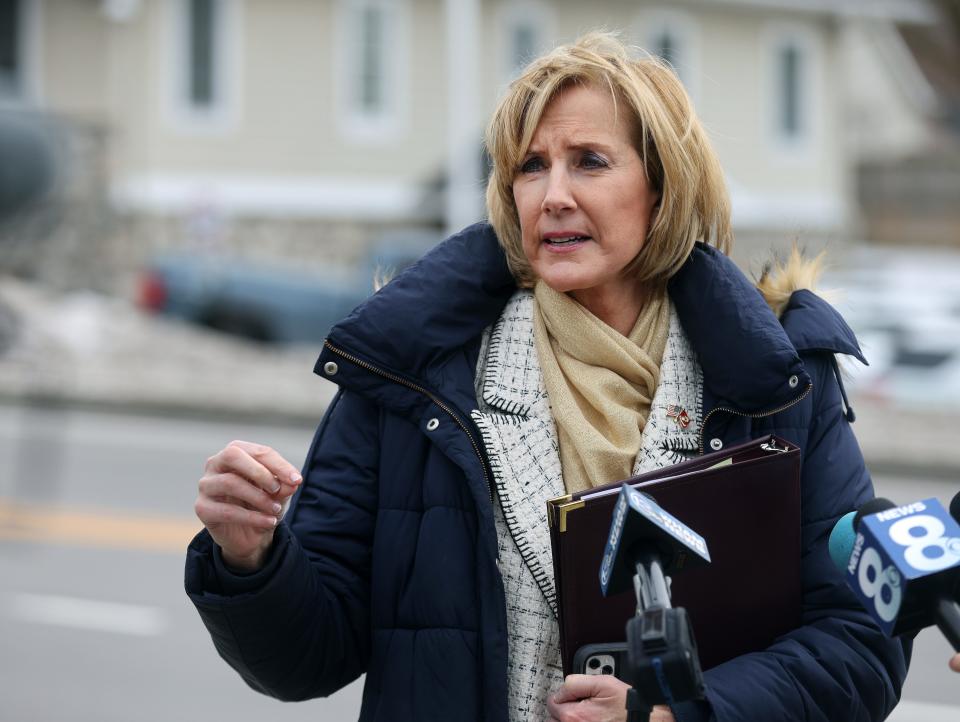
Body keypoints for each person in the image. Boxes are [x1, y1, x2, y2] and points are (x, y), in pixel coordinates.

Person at [185, 32, 909, 721]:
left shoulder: (778, 377)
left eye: (589, 161)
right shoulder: (415, 375)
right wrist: (251, 557)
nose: (553, 194)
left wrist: (677, 715)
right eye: (531, 166)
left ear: (661, 188)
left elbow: (859, 644)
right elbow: (305, 659)